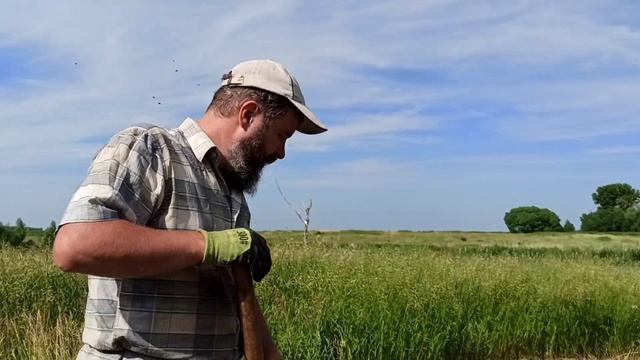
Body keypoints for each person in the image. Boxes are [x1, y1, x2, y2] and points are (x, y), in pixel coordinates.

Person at [53, 59, 327, 360]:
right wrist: (207, 244)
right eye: (282, 136)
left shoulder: (232, 191)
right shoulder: (151, 149)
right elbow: (76, 246)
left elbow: (240, 300)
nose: (281, 153)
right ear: (248, 114)